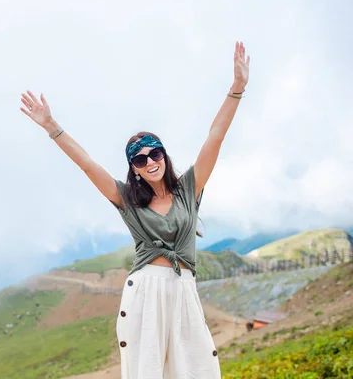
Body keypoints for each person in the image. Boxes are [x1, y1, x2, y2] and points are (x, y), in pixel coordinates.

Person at [19, 41, 250, 378]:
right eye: (140, 160)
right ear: (135, 169)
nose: (150, 161)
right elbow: (87, 165)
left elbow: (214, 137)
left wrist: (237, 88)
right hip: (145, 291)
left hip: (184, 289)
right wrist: (51, 126)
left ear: (164, 156)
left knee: (197, 370)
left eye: (155, 154)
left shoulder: (188, 189)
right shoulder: (128, 199)